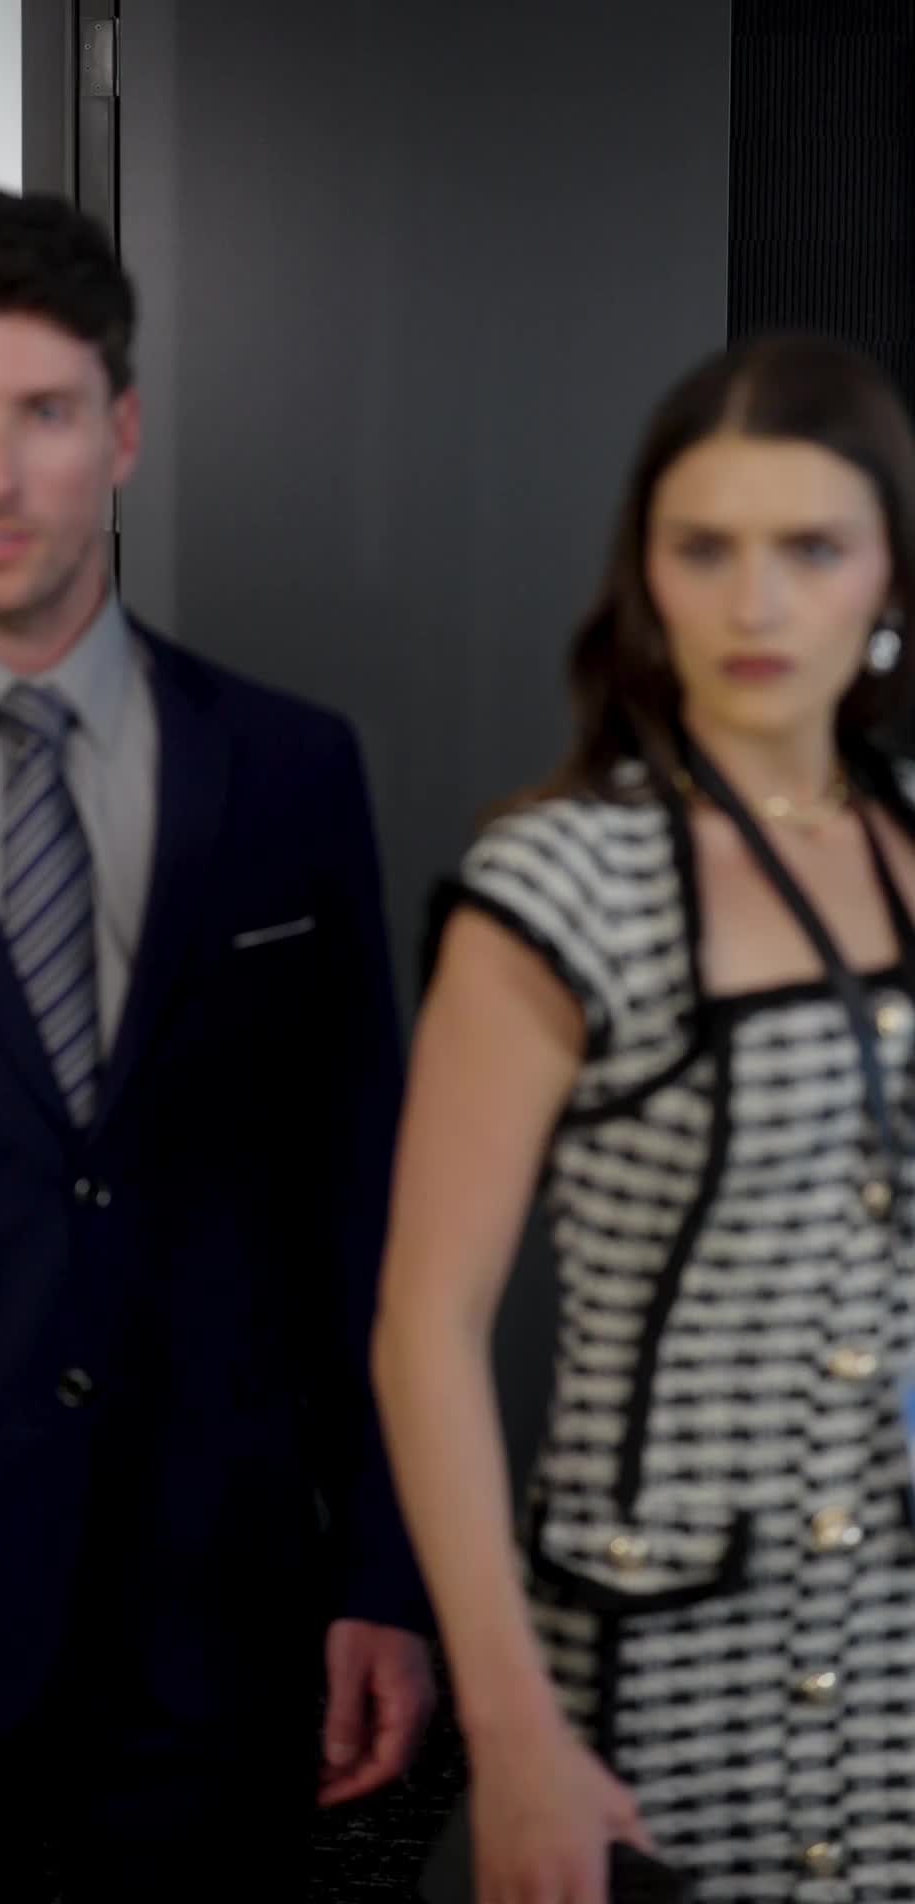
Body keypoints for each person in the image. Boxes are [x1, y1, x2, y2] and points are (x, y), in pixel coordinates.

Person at [0, 186, 435, 1902]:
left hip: (224, 1635)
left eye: (44, 412)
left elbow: (363, 1206)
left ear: (122, 431)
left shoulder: (293, 772)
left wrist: (388, 1572)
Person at [371, 332, 915, 1903]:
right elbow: (425, 1327)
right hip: (664, 1643)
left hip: (894, 1625)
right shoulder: (558, 885)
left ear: (887, 573)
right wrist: (512, 1734)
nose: (757, 605)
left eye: (810, 549)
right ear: (645, 574)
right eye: (706, 549)